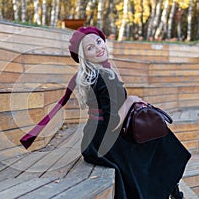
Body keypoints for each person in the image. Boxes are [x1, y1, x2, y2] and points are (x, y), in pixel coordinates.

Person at [68, 26, 191, 199]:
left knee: (158, 138)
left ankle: (170, 188)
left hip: (95, 138)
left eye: (98, 41)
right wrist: (132, 100)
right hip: (105, 141)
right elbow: (113, 122)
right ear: (84, 56)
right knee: (160, 142)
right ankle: (169, 189)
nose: (98, 48)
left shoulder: (98, 73)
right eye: (90, 48)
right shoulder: (104, 77)